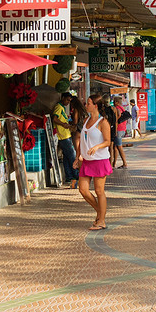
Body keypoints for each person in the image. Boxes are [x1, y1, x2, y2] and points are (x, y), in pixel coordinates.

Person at [74, 94, 112, 230]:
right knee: (83, 190)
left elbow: (108, 141)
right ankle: (100, 212)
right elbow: (81, 140)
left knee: (99, 190)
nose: (86, 105)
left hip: (99, 160)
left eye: (88, 103)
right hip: (87, 160)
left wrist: (97, 147)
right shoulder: (85, 120)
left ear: (95, 106)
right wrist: (77, 156)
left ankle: (101, 220)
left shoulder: (103, 122)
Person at [54, 93, 78, 188]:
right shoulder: (58, 107)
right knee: (72, 156)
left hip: (65, 134)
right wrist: (63, 124)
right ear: (63, 98)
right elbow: (55, 118)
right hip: (63, 136)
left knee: (67, 158)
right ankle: (76, 175)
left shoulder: (62, 108)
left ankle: (69, 176)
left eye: (69, 101)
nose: (68, 102)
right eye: (67, 100)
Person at [111, 99, 130, 169]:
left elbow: (118, 114)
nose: (113, 102)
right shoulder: (122, 108)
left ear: (117, 102)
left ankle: (125, 163)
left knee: (119, 147)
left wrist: (115, 120)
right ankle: (113, 163)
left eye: (114, 101)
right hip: (122, 129)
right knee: (116, 147)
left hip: (118, 129)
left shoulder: (117, 108)